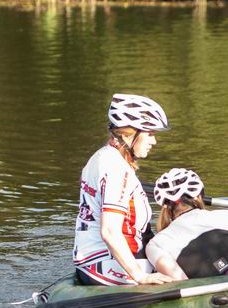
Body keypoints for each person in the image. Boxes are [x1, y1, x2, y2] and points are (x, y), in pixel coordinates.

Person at [73, 93, 174, 286]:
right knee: (196, 264)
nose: (154, 142)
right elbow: (110, 231)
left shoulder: (101, 157)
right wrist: (141, 277)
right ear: (128, 133)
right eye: (150, 134)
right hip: (105, 264)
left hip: (91, 260)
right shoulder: (116, 169)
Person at [145, 168, 228, 280]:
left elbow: (182, 284)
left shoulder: (156, 244)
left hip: (218, 299)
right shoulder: (227, 216)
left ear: (165, 206)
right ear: (199, 197)